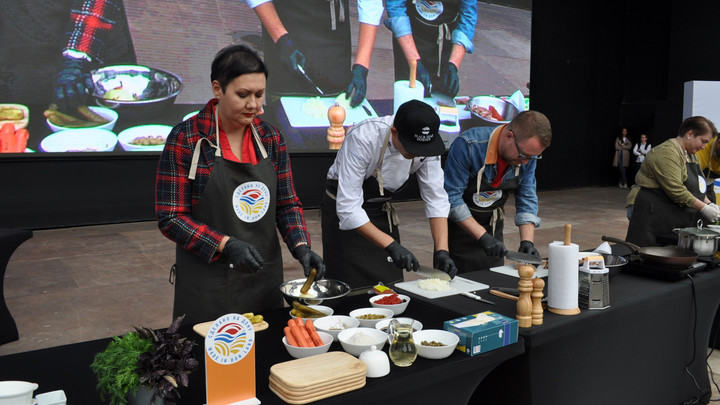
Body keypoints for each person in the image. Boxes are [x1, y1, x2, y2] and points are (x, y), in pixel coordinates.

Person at [155, 45, 324, 324]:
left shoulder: (271, 139)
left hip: (262, 277)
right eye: (243, 95)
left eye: (259, 95)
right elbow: (171, 217)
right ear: (218, 89)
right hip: (208, 281)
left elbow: (286, 205)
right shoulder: (187, 139)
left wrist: (302, 246)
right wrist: (225, 244)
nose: (254, 105)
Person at [322, 99, 457, 292]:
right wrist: (392, 246)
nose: (419, 154)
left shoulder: (427, 146)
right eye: (412, 148)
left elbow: (436, 197)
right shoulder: (364, 137)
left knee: (389, 288)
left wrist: (442, 250)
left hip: (380, 212)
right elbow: (348, 209)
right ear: (395, 132)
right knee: (351, 291)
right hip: (342, 214)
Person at [443, 110, 552, 272]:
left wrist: (527, 242)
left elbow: (527, 198)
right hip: (458, 232)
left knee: (491, 281)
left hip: (493, 228)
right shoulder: (469, 145)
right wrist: (482, 236)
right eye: (523, 155)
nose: (526, 162)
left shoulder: (527, 157)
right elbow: (451, 198)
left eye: (533, 157)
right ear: (509, 136)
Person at [246, 0, 383, 107]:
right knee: (284, 120)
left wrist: (362, 66)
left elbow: (371, 3)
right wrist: (281, 39)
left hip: (333, 35)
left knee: (336, 120)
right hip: (285, 28)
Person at [626, 116, 720, 247]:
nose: (704, 147)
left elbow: (695, 188)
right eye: (703, 141)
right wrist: (703, 208)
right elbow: (677, 191)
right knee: (644, 252)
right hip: (649, 209)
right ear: (690, 134)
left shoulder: (691, 155)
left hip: (664, 210)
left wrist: (709, 204)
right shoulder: (666, 153)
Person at [383, 0, 478, 98]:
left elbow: (468, 16)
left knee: (442, 97)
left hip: (443, 42)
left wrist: (453, 65)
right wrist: (414, 61)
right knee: (408, 97)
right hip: (409, 36)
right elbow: (396, 7)